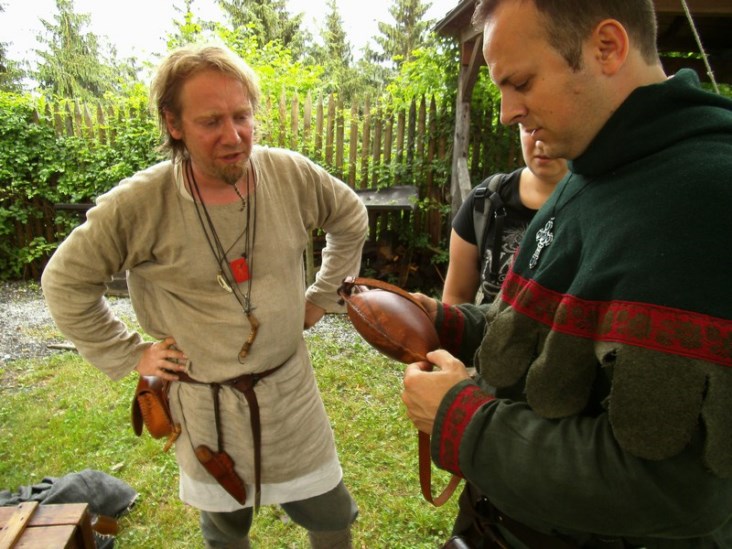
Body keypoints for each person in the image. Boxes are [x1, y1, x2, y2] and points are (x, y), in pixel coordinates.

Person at [402, 0, 732, 547]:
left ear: (607, 47)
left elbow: (674, 489)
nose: (507, 113)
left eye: (521, 83)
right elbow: (550, 335)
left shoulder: (706, 199)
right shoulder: (592, 166)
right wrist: (449, 322)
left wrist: (460, 420)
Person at [42, 44, 368, 549]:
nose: (234, 136)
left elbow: (350, 218)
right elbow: (64, 281)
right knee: (224, 530)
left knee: (329, 513)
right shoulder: (140, 203)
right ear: (173, 124)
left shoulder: (290, 174)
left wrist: (322, 296)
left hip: (290, 393)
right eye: (211, 121)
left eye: (242, 116)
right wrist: (129, 352)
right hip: (206, 408)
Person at [442, 126, 567, 305]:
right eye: (530, 128)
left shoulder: (600, 208)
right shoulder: (485, 200)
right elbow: (456, 298)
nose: (540, 142)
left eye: (554, 128)